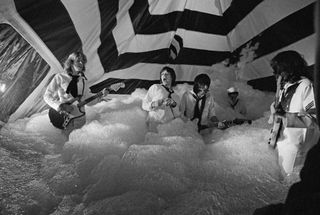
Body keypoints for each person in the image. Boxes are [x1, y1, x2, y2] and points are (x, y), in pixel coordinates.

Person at [269, 50, 319, 178]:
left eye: (279, 71)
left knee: (288, 180)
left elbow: (313, 118)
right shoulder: (285, 86)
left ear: (290, 68)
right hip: (282, 142)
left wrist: (286, 117)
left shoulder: (306, 86)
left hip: (296, 147)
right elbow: (279, 114)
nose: (276, 74)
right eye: (275, 71)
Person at [44, 51, 108, 138]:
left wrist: (101, 96)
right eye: (78, 61)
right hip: (65, 119)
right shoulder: (60, 77)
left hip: (81, 120)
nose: (81, 63)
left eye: (83, 61)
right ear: (71, 62)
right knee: (63, 146)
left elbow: (88, 101)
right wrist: (59, 106)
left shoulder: (83, 80)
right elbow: (47, 96)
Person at [142, 66, 180, 132]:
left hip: (168, 128)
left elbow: (177, 115)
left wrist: (173, 105)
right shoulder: (156, 87)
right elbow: (144, 105)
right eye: (162, 74)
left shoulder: (176, 96)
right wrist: (155, 104)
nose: (164, 76)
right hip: (154, 125)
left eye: (166, 74)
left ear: (172, 77)